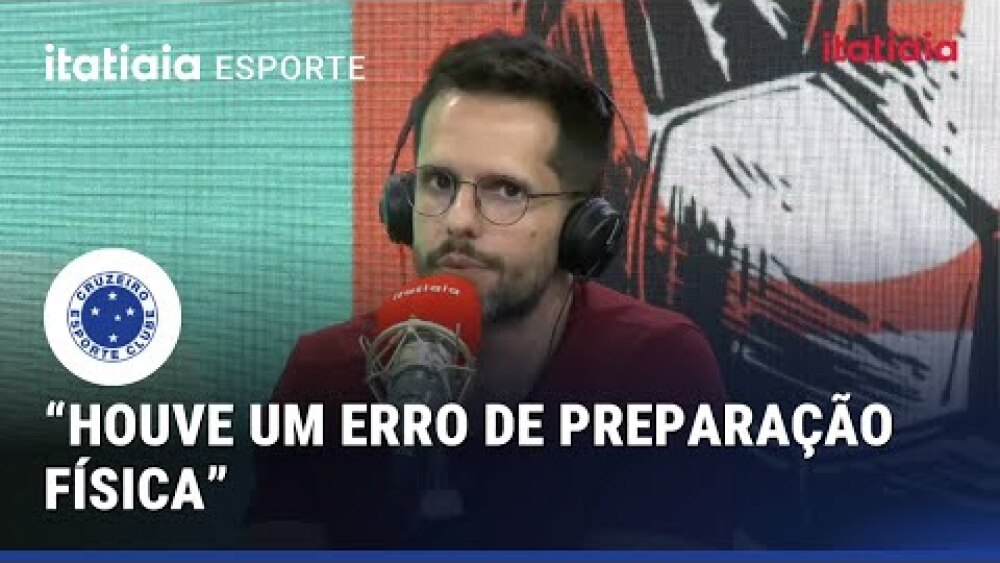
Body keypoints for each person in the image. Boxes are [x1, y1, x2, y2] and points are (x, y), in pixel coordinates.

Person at [244, 31, 733, 549]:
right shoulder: (326, 372)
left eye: (507, 190)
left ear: (584, 225)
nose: (458, 221)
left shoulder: (655, 367)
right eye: (438, 182)